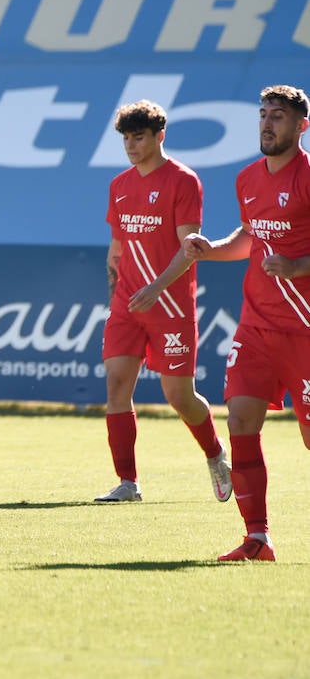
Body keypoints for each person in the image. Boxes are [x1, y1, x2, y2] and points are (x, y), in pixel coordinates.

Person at [184, 83, 310, 562]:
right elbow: (250, 237)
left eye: (277, 116)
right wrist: (212, 250)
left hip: (304, 328)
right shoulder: (247, 179)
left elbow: (287, 253)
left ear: (301, 126)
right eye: (263, 114)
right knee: (239, 419)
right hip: (256, 327)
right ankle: (257, 538)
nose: (266, 123)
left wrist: (298, 267)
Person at [95, 100, 231, 503]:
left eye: (139, 137)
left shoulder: (183, 181)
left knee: (180, 397)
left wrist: (155, 288)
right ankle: (128, 484)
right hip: (127, 306)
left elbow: (189, 247)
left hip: (170, 305)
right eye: (126, 139)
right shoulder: (119, 186)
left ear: (159, 136)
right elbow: (116, 249)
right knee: (117, 387)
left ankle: (216, 455)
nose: (132, 146)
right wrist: (114, 298)